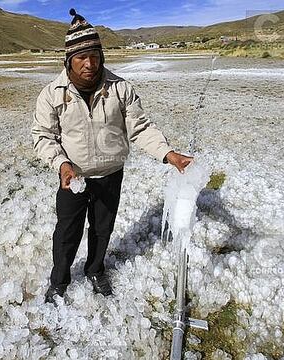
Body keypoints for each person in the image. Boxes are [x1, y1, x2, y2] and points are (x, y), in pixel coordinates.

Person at [32, 9, 193, 304]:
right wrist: (63, 165)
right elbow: (42, 136)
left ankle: (95, 269)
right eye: (81, 57)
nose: (89, 63)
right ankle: (59, 280)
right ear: (68, 60)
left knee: (102, 229)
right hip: (73, 178)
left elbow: (141, 128)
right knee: (67, 233)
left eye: (95, 55)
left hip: (110, 175)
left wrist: (168, 153)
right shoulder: (52, 94)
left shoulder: (120, 89)